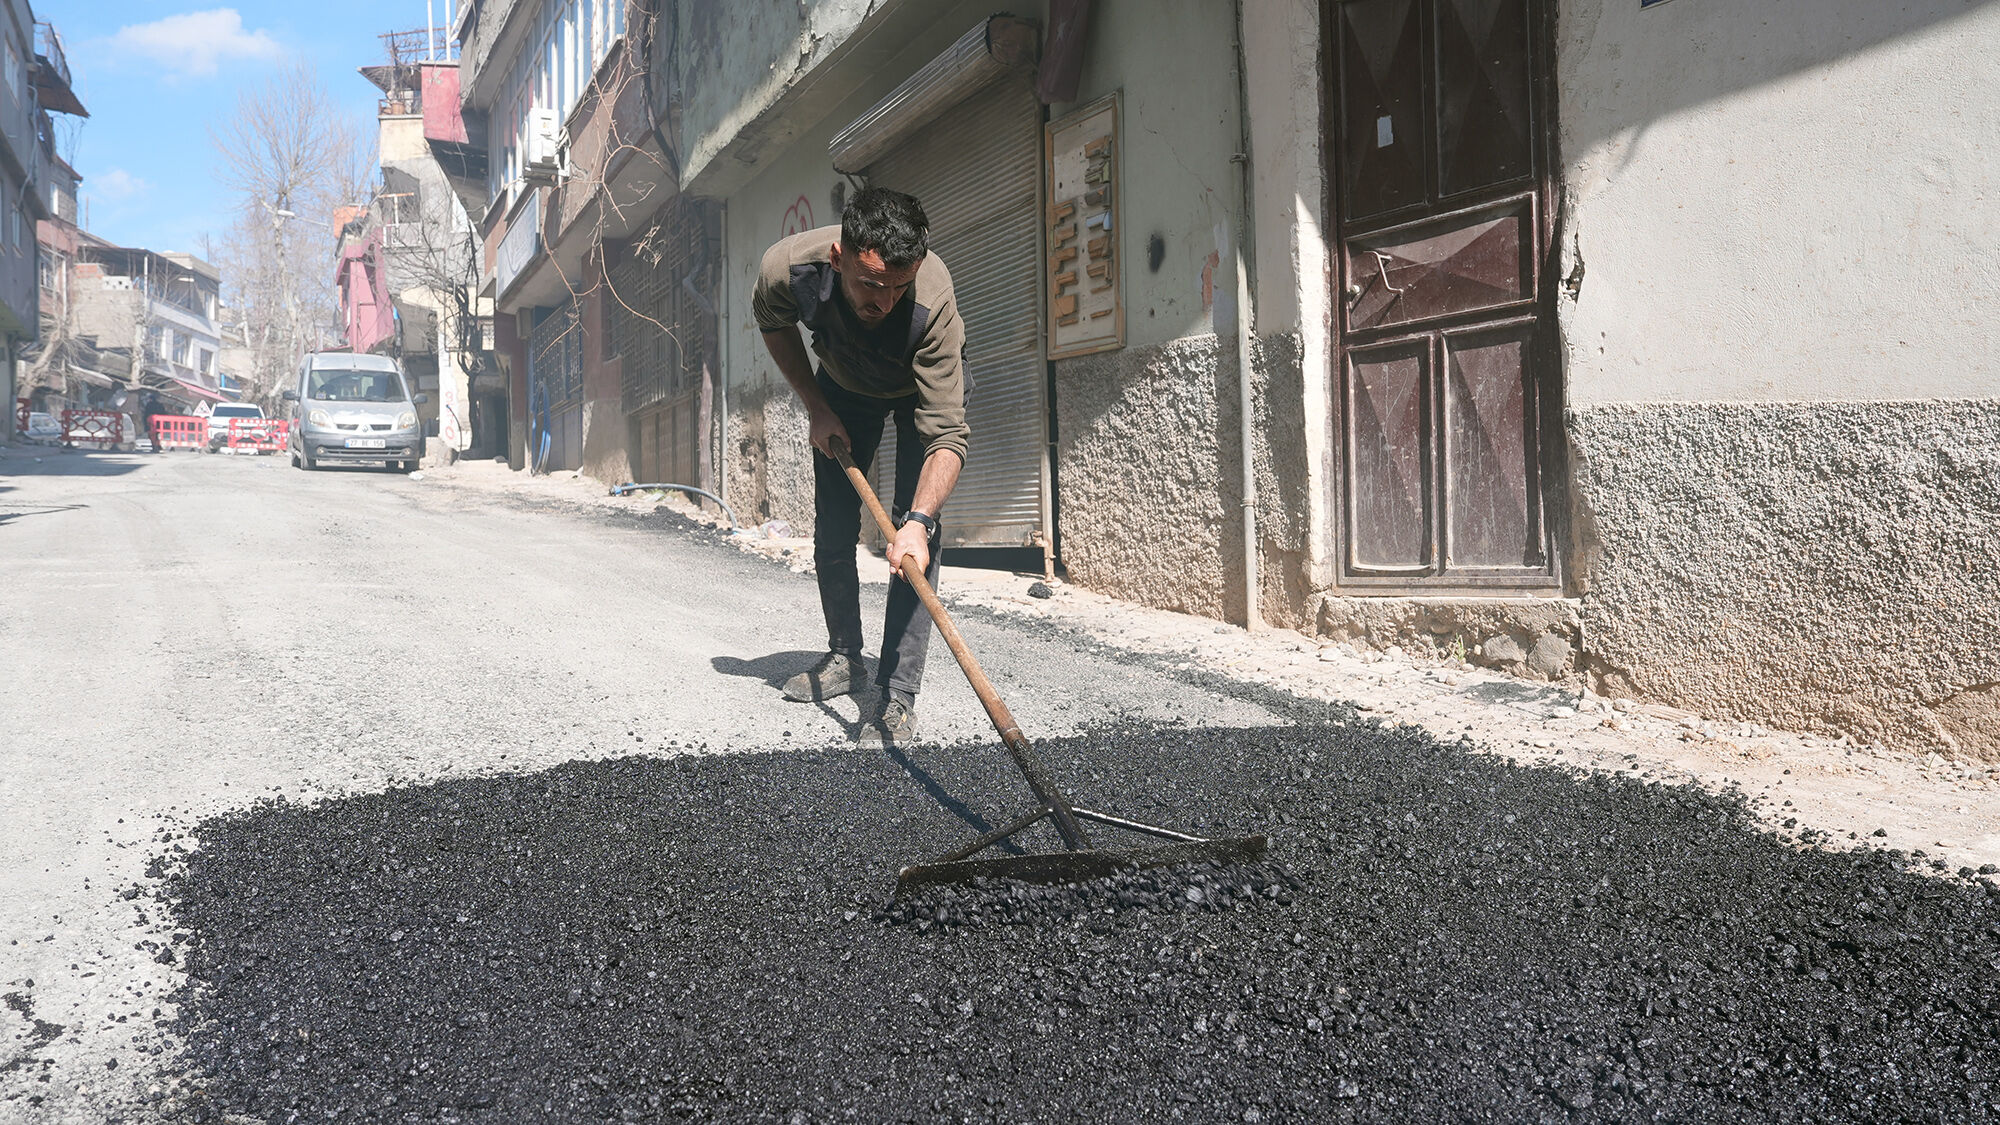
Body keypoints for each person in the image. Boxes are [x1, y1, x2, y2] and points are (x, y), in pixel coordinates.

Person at [753, 187, 968, 746]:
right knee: (833, 528)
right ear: (838, 258)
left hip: (916, 391)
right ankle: (846, 658)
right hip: (843, 387)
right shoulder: (787, 269)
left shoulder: (933, 302)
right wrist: (816, 406)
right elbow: (774, 323)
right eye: (871, 284)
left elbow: (946, 435)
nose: (886, 302)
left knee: (915, 542)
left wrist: (917, 522)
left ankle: (898, 693)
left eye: (899, 286)